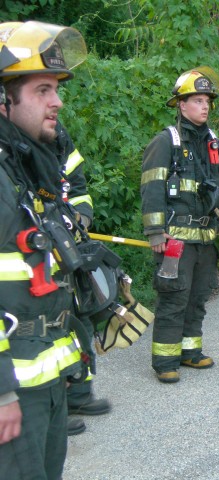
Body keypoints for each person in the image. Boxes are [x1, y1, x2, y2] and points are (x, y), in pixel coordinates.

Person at [0, 20, 89, 478]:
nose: (57, 102)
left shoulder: (27, 167)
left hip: (45, 379)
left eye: (56, 88)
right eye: (42, 90)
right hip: (13, 390)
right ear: (2, 98)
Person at [140, 66, 219, 384]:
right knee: (174, 296)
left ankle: (190, 351)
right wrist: (155, 231)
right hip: (175, 239)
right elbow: (152, 187)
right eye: (197, 100)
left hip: (207, 237)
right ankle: (165, 360)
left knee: (198, 295)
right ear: (181, 104)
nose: (205, 106)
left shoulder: (214, 144)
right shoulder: (165, 141)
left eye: (207, 100)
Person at [51, 121, 112, 435]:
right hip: (33, 256)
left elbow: (77, 189)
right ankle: (48, 409)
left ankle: (78, 393)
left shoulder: (58, 134)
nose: (55, 102)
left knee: (79, 319)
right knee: (44, 329)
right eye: (42, 90)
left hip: (67, 249)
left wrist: (81, 218)